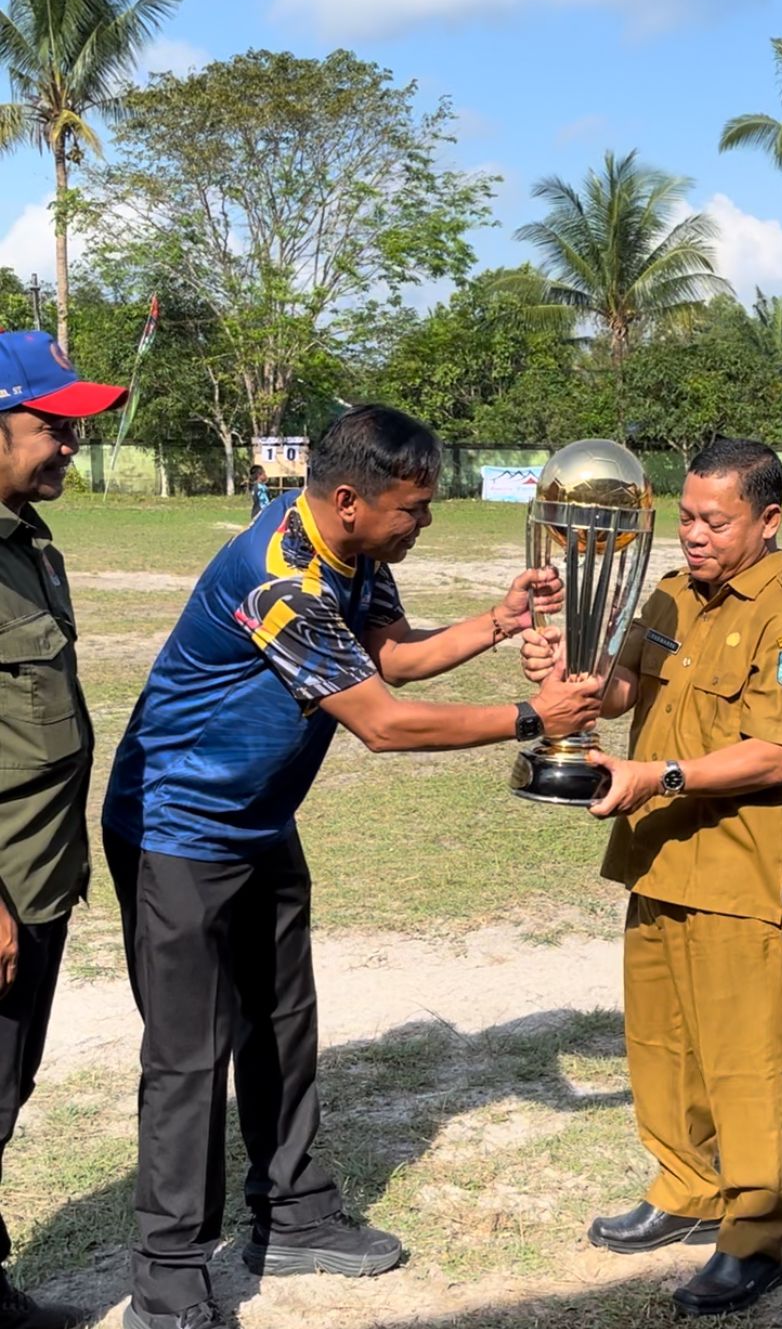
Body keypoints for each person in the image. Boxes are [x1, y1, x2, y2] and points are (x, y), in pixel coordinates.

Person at [101, 404, 603, 1329]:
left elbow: (392, 661)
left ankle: (293, 1215)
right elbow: (382, 722)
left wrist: (497, 621)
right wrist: (535, 720)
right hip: (175, 831)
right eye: (411, 509)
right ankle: (167, 1279)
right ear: (348, 499)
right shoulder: (278, 579)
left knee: (283, 1023)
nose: (423, 524)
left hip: (257, 823)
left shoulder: (355, 557)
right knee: (186, 1056)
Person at [521, 438, 782, 1318]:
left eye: (718, 520)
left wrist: (655, 777)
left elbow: (777, 753)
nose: (696, 534)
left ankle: (751, 1233)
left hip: (740, 867)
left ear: (768, 520)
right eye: (689, 516)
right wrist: (572, 679)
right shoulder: (668, 591)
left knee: (745, 1059)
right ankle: (683, 1184)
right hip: (658, 854)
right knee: (661, 1043)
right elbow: (628, 684)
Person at [0, 332, 127, 1329]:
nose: (72, 447)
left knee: (6, 1086)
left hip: (37, 871)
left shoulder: (27, 541)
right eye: (55, 426)